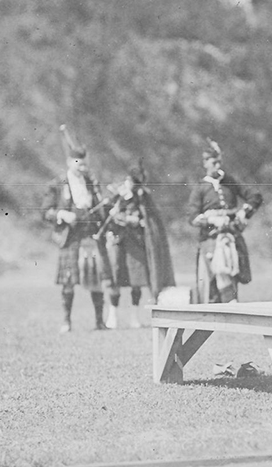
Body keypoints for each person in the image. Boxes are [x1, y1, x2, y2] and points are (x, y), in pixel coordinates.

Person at [42, 126, 112, 333]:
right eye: (78, 163)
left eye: (84, 164)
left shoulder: (91, 183)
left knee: (97, 279)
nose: (82, 167)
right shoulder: (57, 184)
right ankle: (67, 321)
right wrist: (63, 215)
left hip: (90, 234)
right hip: (70, 237)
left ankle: (99, 321)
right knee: (68, 280)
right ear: (69, 162)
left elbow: (100, 209)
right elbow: (46, 212)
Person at [187, 139, 263, 306]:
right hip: (210, 240)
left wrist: (245, 212)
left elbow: (255, 196)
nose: (217, 166)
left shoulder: (229, 181)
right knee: (213, 283)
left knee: (232, 273)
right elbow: (192, 216)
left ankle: (232, 308)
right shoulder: (200, 188)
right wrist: (210, 219)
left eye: (219, 162)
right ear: (205, 163)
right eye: (214, 162)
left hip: (231, 236)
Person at [101, 161, 176, 329]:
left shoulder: (143, 196)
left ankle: (134, 317)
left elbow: (150, 219)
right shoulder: (118, 193)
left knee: (136, 280)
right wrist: (118, 214)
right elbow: (107, 213)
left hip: (135, 242)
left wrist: (138, 221)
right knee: (115, 276)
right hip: (118, 241)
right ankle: (113, 316)